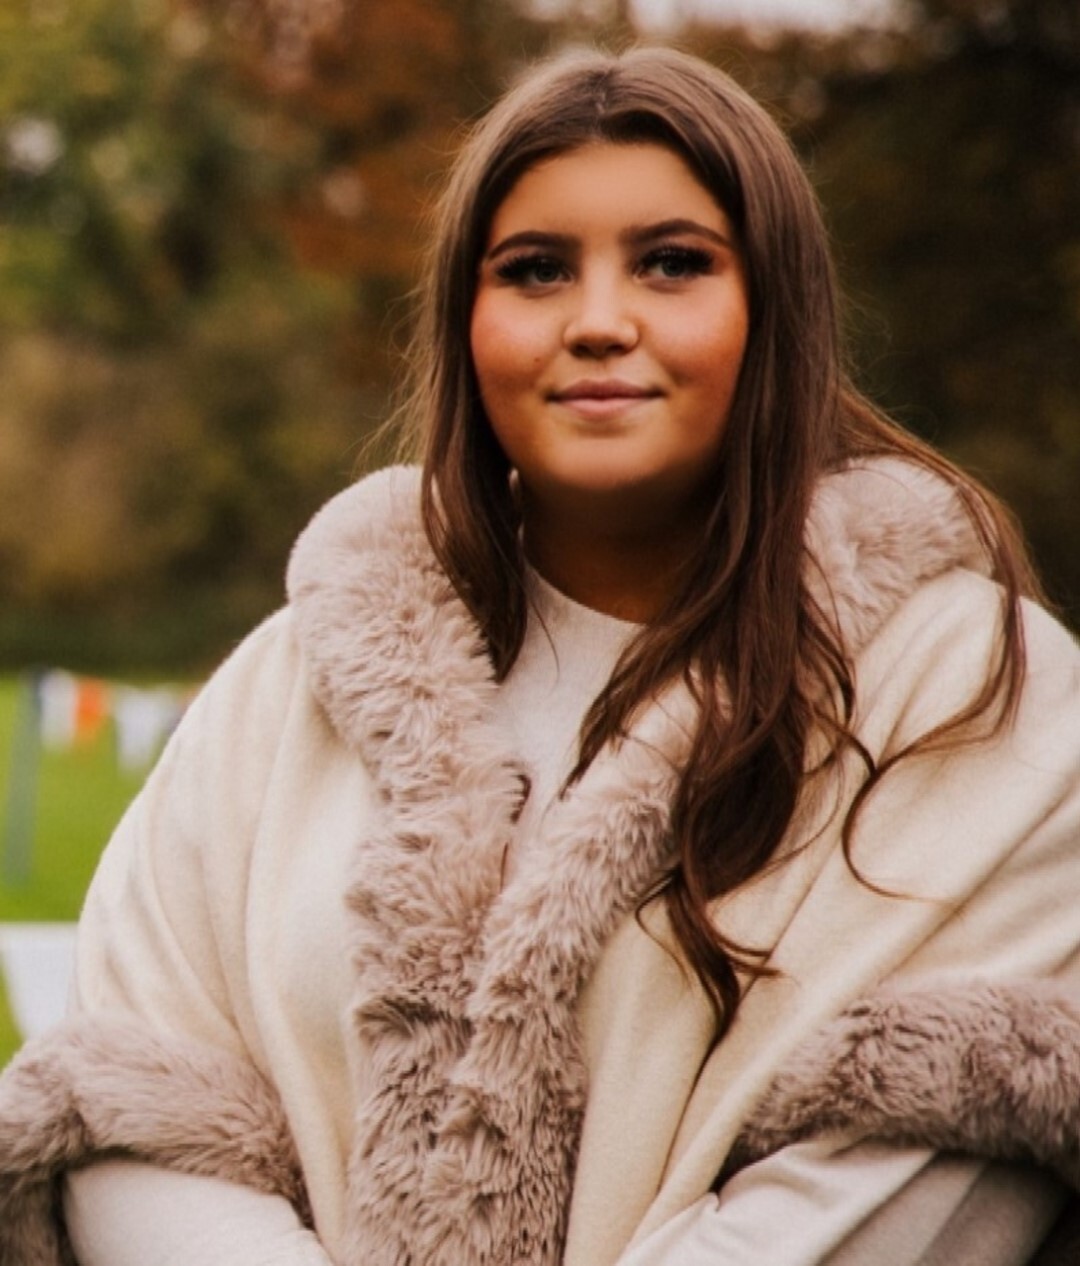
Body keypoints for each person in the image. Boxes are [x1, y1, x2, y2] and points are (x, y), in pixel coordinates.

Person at [1, 43, 1079, 1266]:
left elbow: (910, 1176)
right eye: (536, 271)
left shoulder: (973, 697)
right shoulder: (293, 683)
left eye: (673, 264)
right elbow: (138, 1097)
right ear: (468, 323)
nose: (601, 322)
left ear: (773, 308)